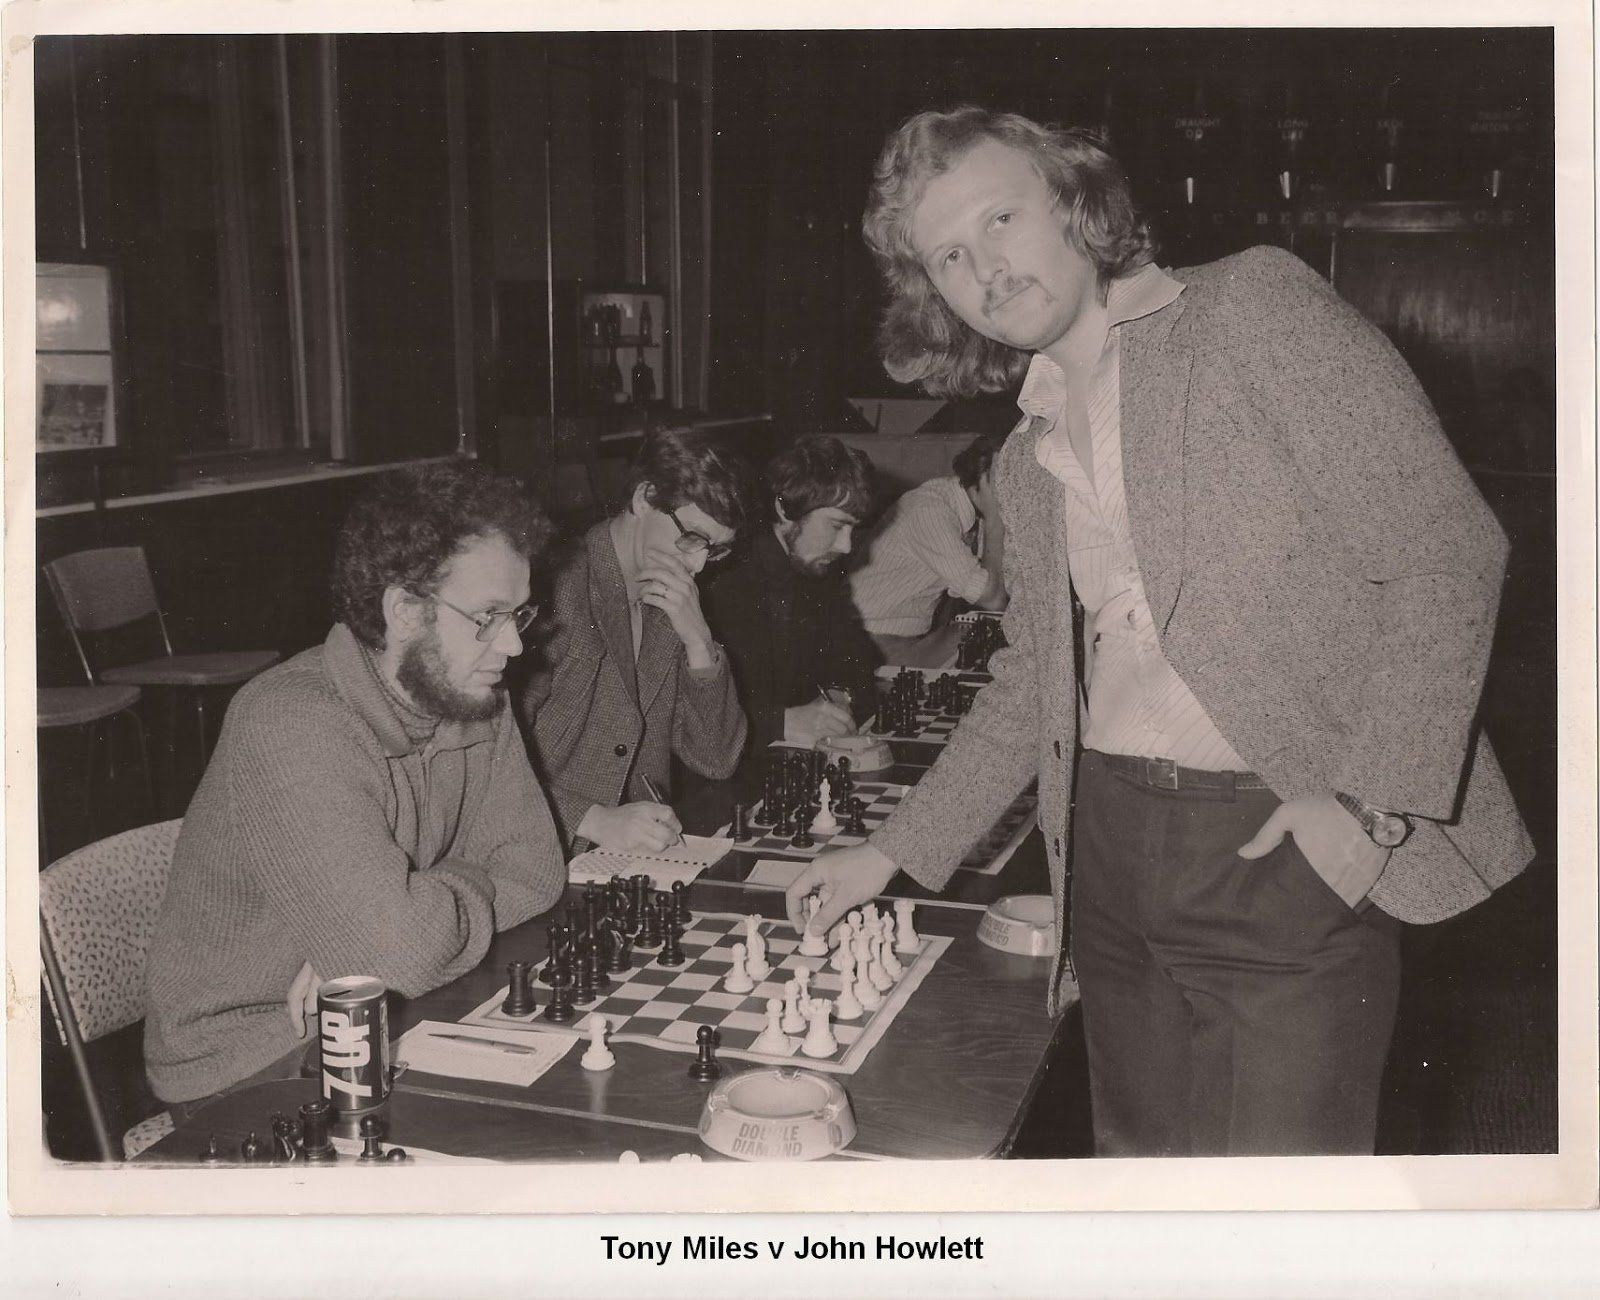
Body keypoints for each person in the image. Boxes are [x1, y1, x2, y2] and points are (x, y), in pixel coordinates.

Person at [787, 107, 1533, 1157]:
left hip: (1281, 837)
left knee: (1282, 1217)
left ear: (1076, 204)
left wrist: (1369, 804)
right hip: (1108, 850)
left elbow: (1448, 551)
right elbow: (1037, 682)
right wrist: (887, 854)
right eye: (947, 256)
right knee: (1141, 1188)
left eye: (1000, 219)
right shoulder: (1022, 458)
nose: (983, 270)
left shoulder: (1251, 313)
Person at [145, 460, 567, 1108]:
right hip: (251, 1060)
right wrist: (384, 937)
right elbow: (399, 952)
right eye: (487, 616)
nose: (511, 644)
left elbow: (537, 869)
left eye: (519, 613)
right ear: (403, 610)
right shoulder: (290, 722)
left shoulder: (473, 693)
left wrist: (382, 931)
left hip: (388, 1011)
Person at [520, 427, 753, 853]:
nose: (698, 566)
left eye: (715, 550)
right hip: (538, 851)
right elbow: (485, 771)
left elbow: (716, 760)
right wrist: (593, 820)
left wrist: (701, 642)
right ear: (644, 498)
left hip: (630, 863)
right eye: (693, 539)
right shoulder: (551, 592)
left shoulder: (673, 601)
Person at [700, 435, 880, 776]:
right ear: (785, 509)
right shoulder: (722, 579)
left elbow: (859, 660)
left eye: (853, 530)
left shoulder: (813, 567)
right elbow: (693, 717)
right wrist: (781, 722)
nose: (846, 546)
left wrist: (838, 698)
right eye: (837, 525)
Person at [848, 429, 1008, 667]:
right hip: (870, 642)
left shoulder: (972, 510)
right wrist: (997, 515)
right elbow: (993, 598)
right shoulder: (930, 510)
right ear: (984, 481)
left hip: (907, 636)